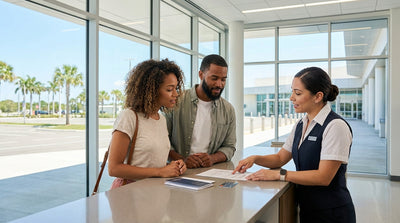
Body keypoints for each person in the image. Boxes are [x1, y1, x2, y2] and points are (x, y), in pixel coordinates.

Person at [233, 67, 356, 223]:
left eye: (298, 93)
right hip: (308, 207)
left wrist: (279, 174)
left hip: (331, 212)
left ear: (318, 96)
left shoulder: (335, 126)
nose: (291, 98)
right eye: (292, 92)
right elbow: (280, 158)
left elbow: (324, 177)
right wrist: (255, 158)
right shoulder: (301, 124)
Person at [108, 59, 187, 188]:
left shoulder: (161, 119)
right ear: (152, 90)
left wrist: (176, 166)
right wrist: (160, 172)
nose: (176, 94)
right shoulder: (129, 116)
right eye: (169, 89)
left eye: (176, 88)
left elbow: (152, 161)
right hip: (129, 194)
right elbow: (114, 168)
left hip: (155, 193)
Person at [165, 54, 236, 169]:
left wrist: (212, 158)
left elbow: (229, 147)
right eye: (214, 78)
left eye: (223, 80)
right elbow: (163, 141)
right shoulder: (176, 101)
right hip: (177, 171)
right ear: (201, 75)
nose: (219, 84)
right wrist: (183, 160)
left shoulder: (228, 110)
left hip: (210, 172)